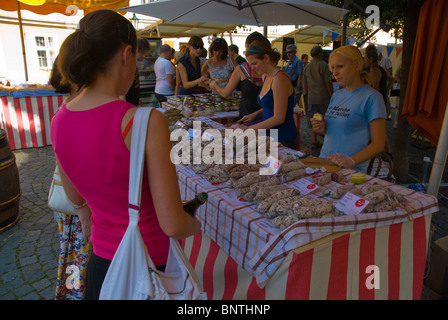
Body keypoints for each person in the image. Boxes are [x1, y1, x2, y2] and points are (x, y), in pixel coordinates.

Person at [51, 10, 201, 300]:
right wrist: (196, 224)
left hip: (102, 267)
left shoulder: (59, 120)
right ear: (126, 54)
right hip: (149, 270)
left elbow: (76, 198)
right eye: (137, 59)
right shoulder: (145, 121)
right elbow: (172, 224)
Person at [49, 59, 92, 300]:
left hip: (77, 202)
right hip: (77, 203)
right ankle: (74, 295)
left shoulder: (70, 110)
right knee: (78, 256)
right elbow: (65, 166)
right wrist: (82, 209)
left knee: (75, 255)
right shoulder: (68, 115)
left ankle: (75, 293)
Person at [310, 45, 387, 173]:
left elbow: (378, 144)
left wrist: (351, 160)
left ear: (357, 65)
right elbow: (334, 133)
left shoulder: (372, 97)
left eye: (340, 66)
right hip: (325, 163)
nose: (334, 73)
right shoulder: (337, 95)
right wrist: (322, 128)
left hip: (351, 171)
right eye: (333, 68)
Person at [231, 40, 297, 150]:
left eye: (255, 63)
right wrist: (255, 115)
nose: (252, 68)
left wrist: (247, 129)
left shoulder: (279, 79)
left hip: (282, 138)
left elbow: (278, 118)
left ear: (266, 58)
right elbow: (271, 105)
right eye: (250, 64)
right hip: (269, 137)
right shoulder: (265, 76)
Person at [210, 32, 269, 119]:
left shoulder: (242, 68)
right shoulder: (272, 72)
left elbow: (225, 93)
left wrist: (214, 84)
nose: (253, 67)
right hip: (260, 122)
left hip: (255, 122)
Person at [302, 46, 333, 149]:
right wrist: (332, 94)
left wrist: (308, 92)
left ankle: (314, 141)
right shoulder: (324, 65)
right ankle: (327, 142)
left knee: (312, 120)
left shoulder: (307, 66)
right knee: (326, 120)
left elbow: (305, 84)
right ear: (320, 53)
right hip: (323, 97)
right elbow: (328, 82)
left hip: (312, 98)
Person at [125, 37, 150, 106]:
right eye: (142, 53)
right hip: (128, 105)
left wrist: (136, 99)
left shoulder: (133, 64)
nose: (144, 56)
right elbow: (122, 94)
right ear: (135, 50)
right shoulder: (126, 66)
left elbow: (134, 85)